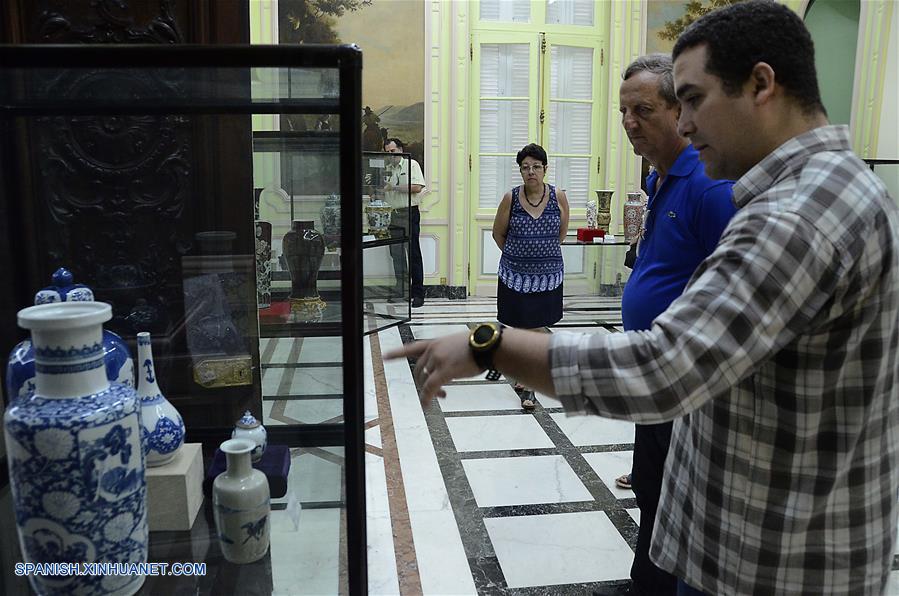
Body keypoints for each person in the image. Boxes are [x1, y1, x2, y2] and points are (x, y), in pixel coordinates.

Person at [386, 2, 899, 594]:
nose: (685, 124)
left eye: (694, 100)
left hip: (772, 558)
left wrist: (490, 346)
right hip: (753, 531)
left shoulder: (798, 217)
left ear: (761, 85)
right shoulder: (825, 190)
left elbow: (663, 368)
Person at [616, 53, 736, 596]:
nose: (629, 122)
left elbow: (733, 294)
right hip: (655, 378)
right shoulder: (659, 179)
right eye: (624, 111)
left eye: (642, 110)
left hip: (688, 385)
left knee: (676, 495)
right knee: (650, 485)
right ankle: (648, 581)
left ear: (679, 111)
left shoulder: (708, 186)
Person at [492, 143, 569, 410]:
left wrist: (542, 254)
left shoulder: (558, 196)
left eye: (536, 166)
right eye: (525, 167)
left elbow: (561, 234)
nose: (531, 171)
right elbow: (498, 234)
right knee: (522, 328)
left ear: (545, 169)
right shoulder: (510, 198)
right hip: (515, 277)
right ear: (520, 171)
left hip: (548, 277)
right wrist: (518, 256)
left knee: (535, 330)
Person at [383, 137, 427, 308]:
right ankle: (402, 290)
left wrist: (393, 188)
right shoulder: (387, 168)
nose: (390, 155)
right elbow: (383, 191)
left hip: (409, 213)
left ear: (400, 150)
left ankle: (418, 293)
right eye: (387, 152)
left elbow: (417, 187)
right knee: (396, 254)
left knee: (413, 253)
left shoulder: (412, 164)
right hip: (393, 215)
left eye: (393, 151)